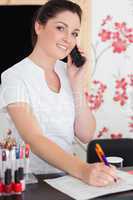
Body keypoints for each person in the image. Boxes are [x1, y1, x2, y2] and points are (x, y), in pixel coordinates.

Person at [0, 0, 118, 186]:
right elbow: (34, 138)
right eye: (61, 28)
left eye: (74, 33)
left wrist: (77, 84)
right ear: (39, 26)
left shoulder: (68, 72)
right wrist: (83, 169)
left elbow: (85, 134)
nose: (68, 39)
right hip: (31, 180)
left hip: (67, 178)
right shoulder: (14, 76)